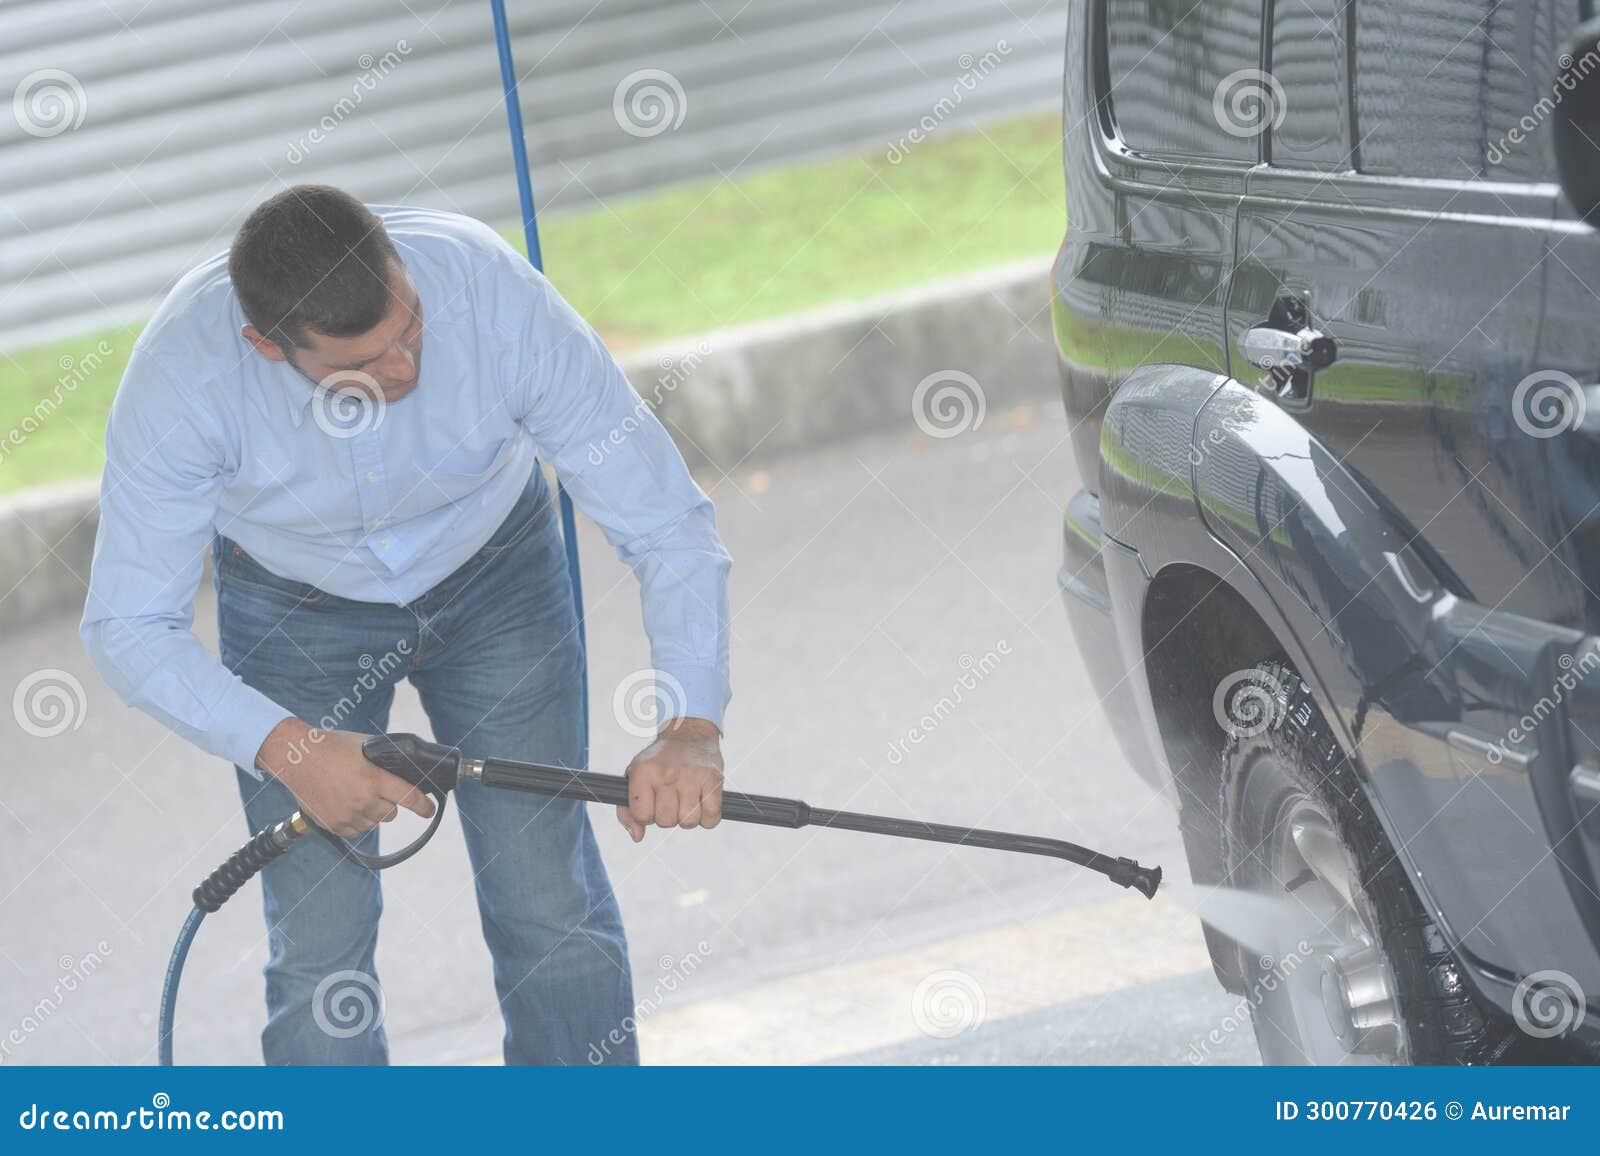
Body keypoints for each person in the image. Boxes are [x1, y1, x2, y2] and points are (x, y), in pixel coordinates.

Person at [80, 185, 732, 1065]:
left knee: (547, 897)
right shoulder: (183, 379)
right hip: (290, 604)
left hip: (499, 571)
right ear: (268, 347)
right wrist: (292, 750)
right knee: (320, 941)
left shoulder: (489, 291)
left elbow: (663, 519)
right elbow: (127, 625)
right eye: (364, 363)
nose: (406, 371)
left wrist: (690, 725)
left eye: (411, 328)